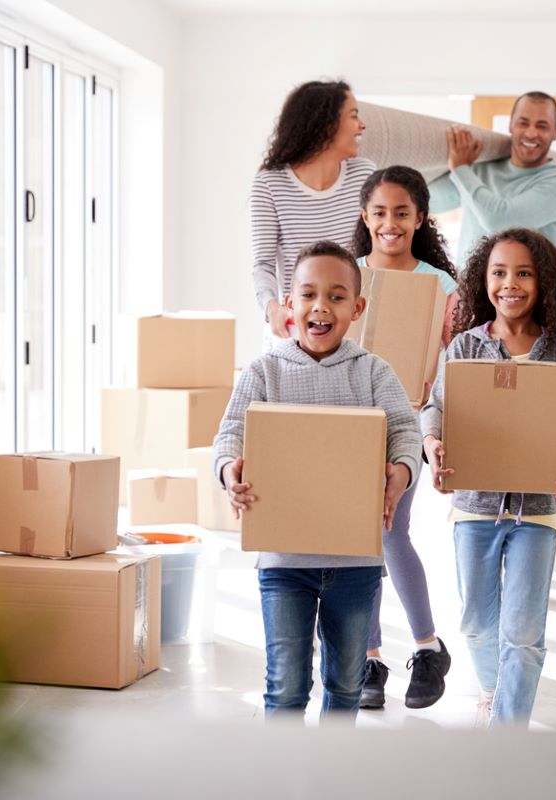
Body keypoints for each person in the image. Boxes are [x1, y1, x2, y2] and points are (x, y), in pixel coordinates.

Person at [213, 241, 421, 720]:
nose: (320, 306)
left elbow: (405, 431)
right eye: (307, 294)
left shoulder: (373, 372)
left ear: (357, 307)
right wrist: (230, 471)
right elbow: (228, 436)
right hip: (284, 561)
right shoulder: (264, 372)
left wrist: (402, 472)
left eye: (336, 296)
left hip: (355, 564)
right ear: (289, 303)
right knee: (285, 686)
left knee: (346, 686)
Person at [419, 228, 556, 728]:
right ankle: (494, 690)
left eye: (524, 273)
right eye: (499, 273)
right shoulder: (465, 348)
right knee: (478, 624)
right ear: (484, 280)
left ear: (544, 283)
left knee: (522, 632)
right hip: (474, 507)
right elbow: (437, 409)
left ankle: (507, 732)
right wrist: (433, 445)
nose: (510, 284)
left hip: (537, 509)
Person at [349, 165, 458, 710]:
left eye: (401, 213)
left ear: (420, 218)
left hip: (408, 424)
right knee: (360, 539)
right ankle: (369, 659)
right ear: (364, 217)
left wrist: (439, 432)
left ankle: (426, 647)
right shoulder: (346, 275)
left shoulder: (440, 286)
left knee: (390, 530)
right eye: (379, 212)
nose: (389, 223)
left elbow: (457, 363)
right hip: (346, 425)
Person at [250, 80, 375, 345]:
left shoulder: (365, 174)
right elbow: (262, 264)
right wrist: (273, 308)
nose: (362, 125)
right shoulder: (270, 183)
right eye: (354, 116)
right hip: (295, 327)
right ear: (326, 124)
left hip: (349, 327)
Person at [428, 92, 556, 265]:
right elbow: (429, 201)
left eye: (542, 126)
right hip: (467, 289)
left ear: (555, 132)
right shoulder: (481, 168)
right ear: (511, 125)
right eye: (523, 123)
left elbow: (500, 223)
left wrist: (460, 168)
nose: (531, 133)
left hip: (520, 290)